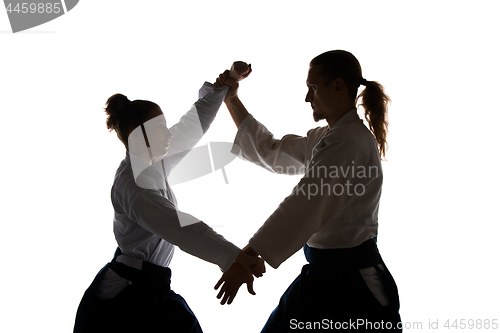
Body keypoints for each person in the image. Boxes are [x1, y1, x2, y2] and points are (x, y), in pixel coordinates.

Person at [214, 50, 402, 331]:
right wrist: (232, 99)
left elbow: (306, 203)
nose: (307, 97)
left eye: (313, 88)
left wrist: (251, 254)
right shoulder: (328, 137)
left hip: (355, 283)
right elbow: (272, 151)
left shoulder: (349, 143)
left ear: (337, 86)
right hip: (323, 275)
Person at [73, 63, 264, 333]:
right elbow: (181, 228)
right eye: (160, 126)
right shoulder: (133, 186)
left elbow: (193, 124)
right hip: (124, 299)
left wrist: (228, 82)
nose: (168, 132)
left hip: (150, 286)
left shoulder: (153, 160)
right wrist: (234, 257)